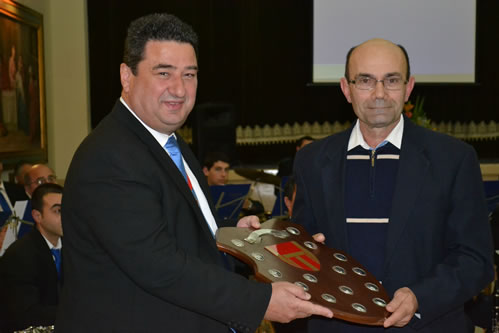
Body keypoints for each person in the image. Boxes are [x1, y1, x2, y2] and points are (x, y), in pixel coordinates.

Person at [57, 13, 332, 332]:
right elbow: (157, 264)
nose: (179, 89)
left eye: (189, 74)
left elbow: (177, 228)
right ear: (126, 76)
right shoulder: (109, 156)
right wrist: (260, 300)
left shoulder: (169, 143)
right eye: (164, 73)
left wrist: (241, 236)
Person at [292, 38, 494, 332]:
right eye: (365, 81)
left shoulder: (453, 159)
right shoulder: (311, 161)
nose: (379, 94)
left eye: (391, 80)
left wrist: (419, 298)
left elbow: (475, 259)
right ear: (346, 89)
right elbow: (302, 249)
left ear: (408, 87)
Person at [0, 183, 63, 332]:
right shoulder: (19, 255)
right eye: (58, 211)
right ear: (37, 216)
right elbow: (25, 314)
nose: (66, 216)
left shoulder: (75, 247)